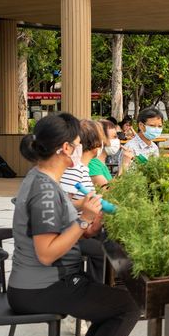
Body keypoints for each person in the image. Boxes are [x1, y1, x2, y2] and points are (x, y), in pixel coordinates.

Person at [8, 113, 140, 336]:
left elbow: (64, 229)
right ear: (66, 148)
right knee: (128, 306)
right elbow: (46, 253)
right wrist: (84, 220)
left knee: (116, 303)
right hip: (41, 288)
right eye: (78, 144)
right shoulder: (44, 192)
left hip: (45, 283)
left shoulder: (43, 179)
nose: (82, 150)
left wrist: (88, 224)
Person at [60, 120, 108, 287]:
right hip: (75, 232)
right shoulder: (75, 169)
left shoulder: (83, 168)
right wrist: (91, 205)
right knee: (107, 252)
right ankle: (96, 288)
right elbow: (64, 203)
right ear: (96, 144)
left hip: (83, 226)